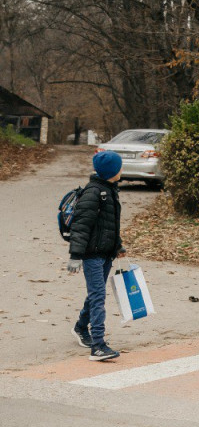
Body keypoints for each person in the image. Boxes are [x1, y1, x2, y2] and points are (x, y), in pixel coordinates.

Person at [67, 151, 126, 361]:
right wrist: (75, 255)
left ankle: (81, 328)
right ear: (112, 171)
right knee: (98, 297)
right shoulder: (93, 193)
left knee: (95, 295)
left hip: (105, 254)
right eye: (119, 167)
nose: (122, 170)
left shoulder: (110, 190)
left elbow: (109, 225)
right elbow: (81, 226)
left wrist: (117, 246)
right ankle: (98, 345)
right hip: (92, 255)